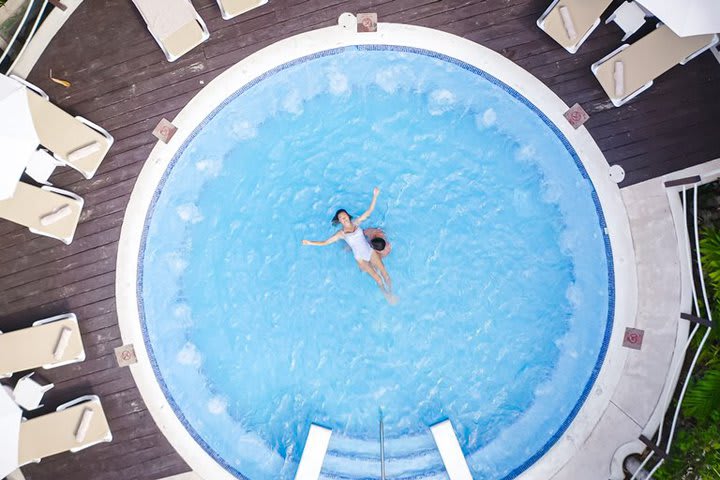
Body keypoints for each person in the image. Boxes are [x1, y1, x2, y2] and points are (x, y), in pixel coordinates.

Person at [302, 187, 396, 303]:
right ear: (340, 221)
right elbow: (325, 242)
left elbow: (368, 212)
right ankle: (387, 295)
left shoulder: (356, 223)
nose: (344, 218)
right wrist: (309, 242)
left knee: (385, 274)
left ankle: (391, 293)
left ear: (348, 216)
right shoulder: (341, 234)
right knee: (378, 279)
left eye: (344, 215)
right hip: (360, 258)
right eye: (341, 218)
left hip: (369, 251)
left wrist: (375, 196)